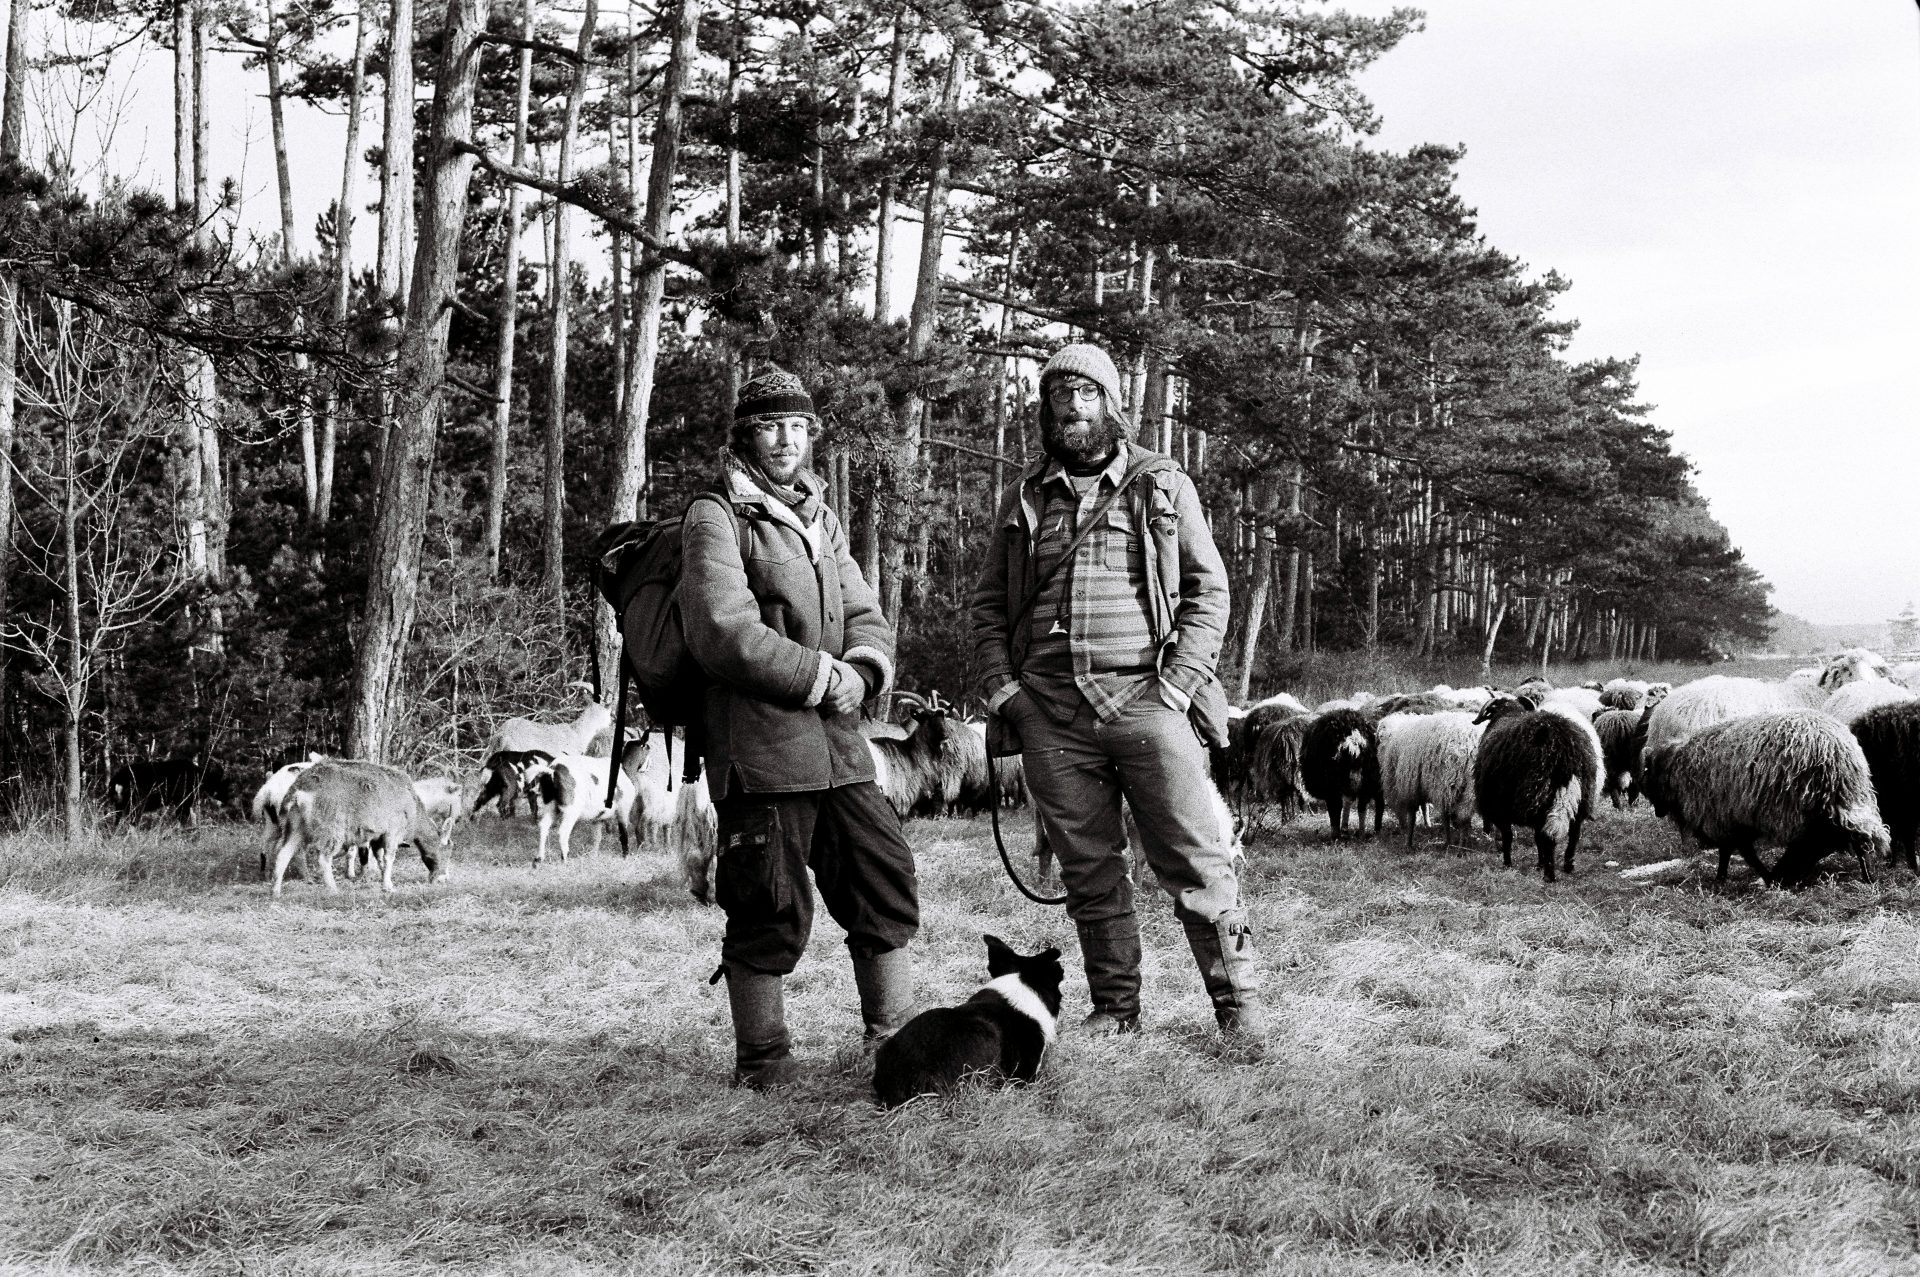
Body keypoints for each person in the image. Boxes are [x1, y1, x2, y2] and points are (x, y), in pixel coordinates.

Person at [968, 342, 1261, 1035]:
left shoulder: (1161, 485)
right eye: (1059, 394)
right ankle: (1115, 1008)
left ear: (1110, 404)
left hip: (1148, 703)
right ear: (1046, 409)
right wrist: (1008, 695)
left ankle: (1239, 1005)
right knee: (1089, 871)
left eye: (1087, 393)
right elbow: (986, 608)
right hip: (1050, 715)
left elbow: (1209, 591)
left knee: (1199, 862)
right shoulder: (1024, 497)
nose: (1073, 406)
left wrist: (1178, 686)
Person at [679, 365, 919, 1088]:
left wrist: (863, 672)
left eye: (796, 426)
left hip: (840, 747)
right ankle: (764, 1064)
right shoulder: (714, 515)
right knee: (767, 905)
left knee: (882, 879)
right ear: (744, 434)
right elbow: (724, 631)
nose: (785, 440)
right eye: (769, 426)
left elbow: (866, 611)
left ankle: (893, 1045)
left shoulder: (820, 514)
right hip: (758, 749)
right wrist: (821, 676)